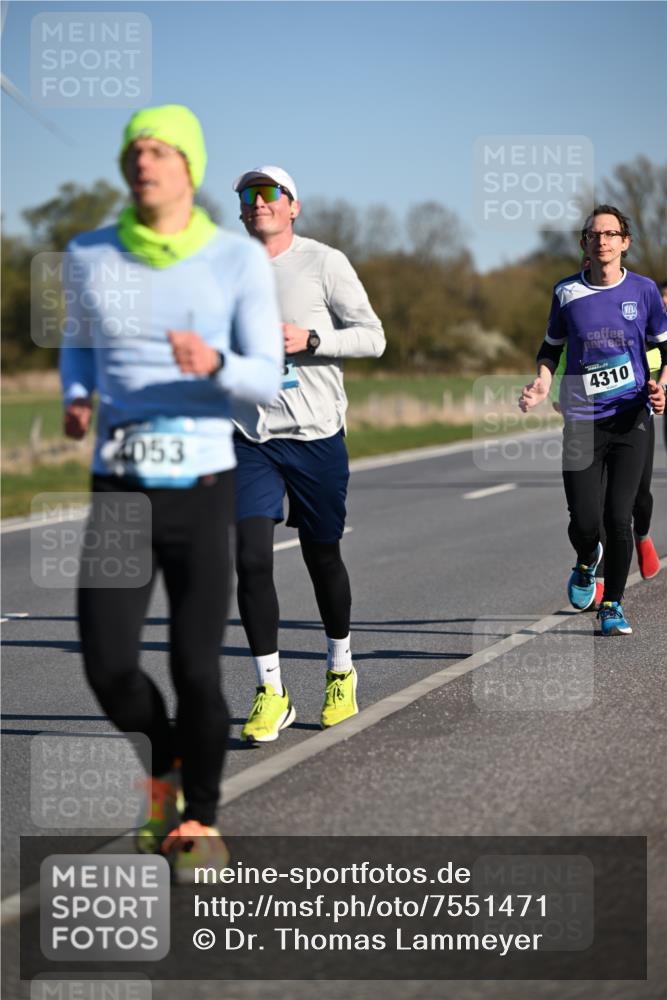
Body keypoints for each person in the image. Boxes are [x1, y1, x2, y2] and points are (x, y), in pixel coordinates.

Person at [60, 106, 282, 880]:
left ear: (188, 166)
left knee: (194, 668)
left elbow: (267, 374)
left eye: (158, 151)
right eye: (134, 151)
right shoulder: (88, 255)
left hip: (202, 484)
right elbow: (79, 344)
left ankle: (199, 818)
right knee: (109, 663)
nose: (143, 162)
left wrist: (214, 360)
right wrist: (79, 395)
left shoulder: (232, 261)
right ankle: (164, 769)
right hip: (119, 484)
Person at [231, 165, 385, 743]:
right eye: (247, 195)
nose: (257, 202)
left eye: (269, 193)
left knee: (323, 557)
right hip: (251, 438)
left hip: (317, 432)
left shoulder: (325, 261)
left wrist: (312, 340)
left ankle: (340, 669)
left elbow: (374, 337)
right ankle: (271, 691)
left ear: (293, 206)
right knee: (249, 557)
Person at [520, 205, 667, 636]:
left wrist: (661, 386)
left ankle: (614, 605)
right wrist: (544, 382)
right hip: (582, 421)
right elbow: (550, 348)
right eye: (593, 234)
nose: (601, 240)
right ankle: (587, 562)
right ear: (584, 243)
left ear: (624, 241)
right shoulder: (566, 292)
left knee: (619, 516)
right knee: (586, 522)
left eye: (610, 233)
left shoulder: (641, 292)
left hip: (630, 418)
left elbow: (665, 345)